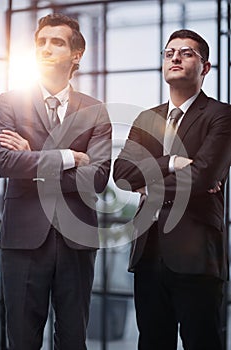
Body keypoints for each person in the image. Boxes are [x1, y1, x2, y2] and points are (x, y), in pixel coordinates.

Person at [0, 13, 111, 350]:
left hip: (76, 238)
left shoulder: (96, 110)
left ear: (76, 54)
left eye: (56, 42)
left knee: (73, 339)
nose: (45, 49)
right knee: (21, 340)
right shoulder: (8, 102)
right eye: (41, 43)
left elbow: (99, 177)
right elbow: (3, 162)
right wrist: (67, 157)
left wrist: (33, 158)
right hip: (23, 240)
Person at [113, 29, 231, 350]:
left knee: (203, 343)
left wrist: (148, 181)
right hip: (148, 253)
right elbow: (121, 175)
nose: (175, 57)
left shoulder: (221, 115)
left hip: (196, 255)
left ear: (205, 67)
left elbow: (204, 176)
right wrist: (171, 162)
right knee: (152, 343)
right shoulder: (146, 118)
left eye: (186, 53)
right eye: (169, 53)